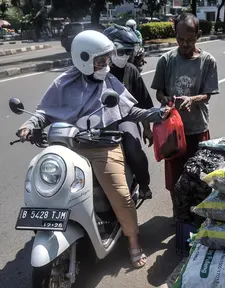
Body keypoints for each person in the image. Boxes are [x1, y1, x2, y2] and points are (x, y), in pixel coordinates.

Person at [16, 30, 171, 269]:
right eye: (101, 60)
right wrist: (30, 124)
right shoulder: (64, 82)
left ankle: (133, 239)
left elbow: (130, 110)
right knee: (44, 183)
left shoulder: (110, 81)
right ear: (84, 59)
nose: (106, 64)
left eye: (107, 59)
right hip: (69, 146)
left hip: (102, 146)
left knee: (120, 194)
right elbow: (44, 113)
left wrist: (155, 114)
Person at [151, 13, 219, 220]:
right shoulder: (167, 60)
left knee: (199, 176)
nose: (184, 44)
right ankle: (178, 214)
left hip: (197, 128)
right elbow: (159, 92)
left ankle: (197, 214)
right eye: (180, 39)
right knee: (174, 177)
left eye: (189, 40)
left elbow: (208, 94)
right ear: (176, 35)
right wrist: (167, 101)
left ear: (198, 35)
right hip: (173, 131)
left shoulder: (208, 61)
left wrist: (192, 99)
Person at [104, 24, 154, 199]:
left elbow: (144, 103)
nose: (125, 56)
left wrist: (147, 129)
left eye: (128, 52)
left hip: (126, 119)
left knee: (133, 148)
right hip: (98, 123)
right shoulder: (95, 70)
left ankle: (143, 184)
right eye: (121, 51)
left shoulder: (131, 71)